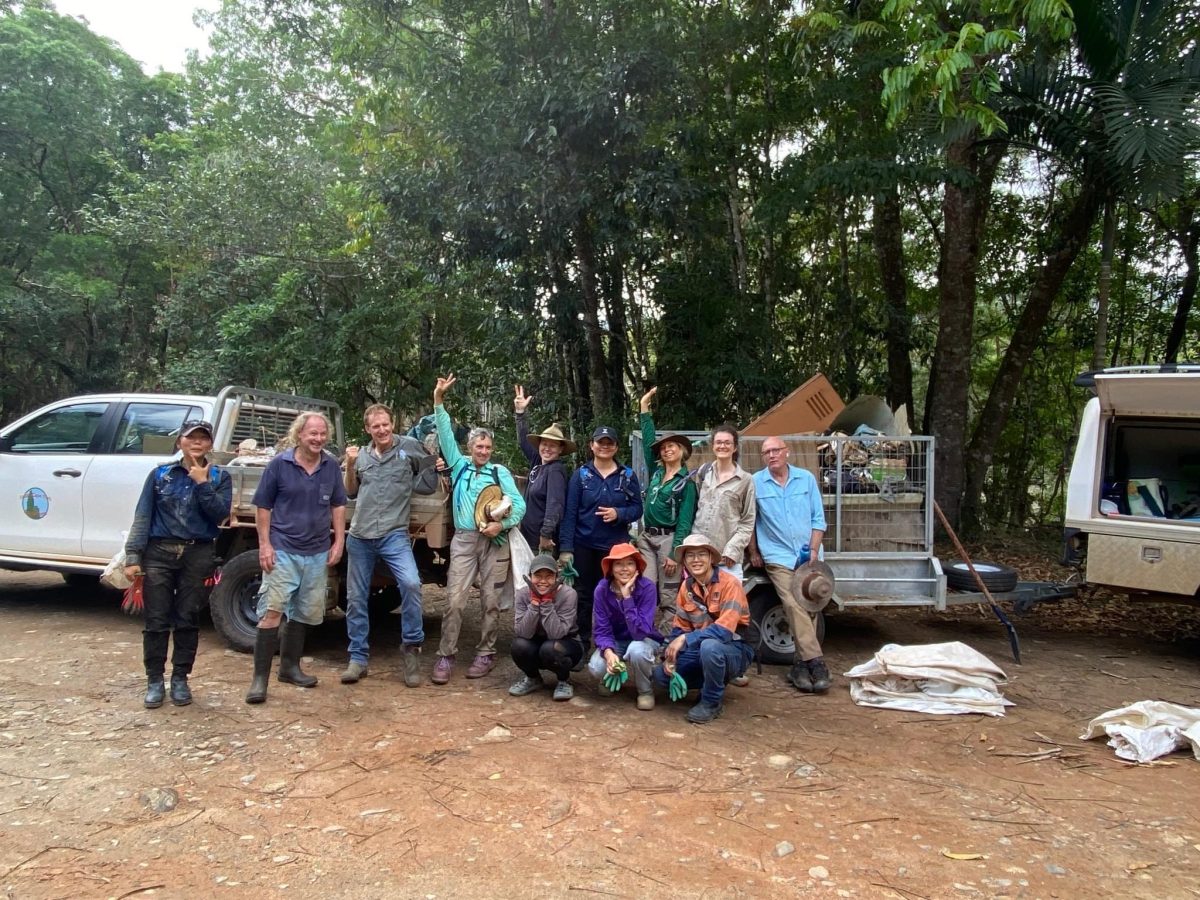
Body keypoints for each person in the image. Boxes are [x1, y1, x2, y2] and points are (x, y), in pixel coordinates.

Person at [124, 420, 232, 708]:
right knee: (156, 620)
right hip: (159, 553)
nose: (197, 443)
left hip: (198, 554)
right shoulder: (161, 475)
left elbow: (219, 515)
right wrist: (133, 556)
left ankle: (181, 679)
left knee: (187, 618)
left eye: (203, 439)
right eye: (191, 438)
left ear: (210, 444)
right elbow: (143, 515)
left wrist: (202, 483)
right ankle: (155, 680)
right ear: (180, 442)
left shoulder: (220, 476)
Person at [245, 412, 347, 704]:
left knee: (303, 611)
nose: (318, 439)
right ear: (299, 435)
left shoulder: (330, 466)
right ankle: (259, 680)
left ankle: (290, 667)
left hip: (316, 551)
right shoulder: (279, 465)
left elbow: (339, 505)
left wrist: (338, 540)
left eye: (322, 434)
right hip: (284, 549)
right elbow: (263, 506)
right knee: (273, 611)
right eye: (312, 433)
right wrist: (265, 545)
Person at [431, 374, 526, 683]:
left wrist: (502, 523)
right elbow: (445, 434)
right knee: (455, 601)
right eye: (479, 446)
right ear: (469, 447)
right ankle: (446, 655)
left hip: (495, 541)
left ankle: (486, 653)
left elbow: (519, 505)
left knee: (490, 601)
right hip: (464, 540)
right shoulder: (459, 466)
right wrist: (439, 401)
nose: (484, 450)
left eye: (487, 446)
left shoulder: (500, 472)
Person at [340, 403, 437, 688]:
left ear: (392, 424)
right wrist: (349, 464)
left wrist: (436, 468)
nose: (381, 430)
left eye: (385, 424)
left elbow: (429, 477)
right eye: (375, 426)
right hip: (359, 536)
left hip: (394, 534)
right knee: (356, 599)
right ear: (367, 429)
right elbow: (350, 491)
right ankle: (357, 659)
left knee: (410, 584)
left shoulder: (410, 447)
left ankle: (411, 651)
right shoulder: (361, 456)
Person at [749, 436, 831, 693]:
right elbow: (750, 520)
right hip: (778, 556)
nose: (771, 455)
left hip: (810, 556)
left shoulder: (805, 479)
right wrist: (753, 551)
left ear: (787, 452)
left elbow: (818, 519)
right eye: (766, 452)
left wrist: (814, 550)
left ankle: (799, 665)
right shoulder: (756, 483)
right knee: (794, 602)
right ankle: (815, 662)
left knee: (811, 604)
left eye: (776, 450)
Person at [559, 426, 643, 658]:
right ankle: (583, 643)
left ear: (616, 447)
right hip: (584, 544)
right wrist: (566, 548)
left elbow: (637, 508)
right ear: (592, 445)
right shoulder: (581, 475)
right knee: (583, 595)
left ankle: (614, 643)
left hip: (615, 548)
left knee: (615, 594)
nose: (604, 446)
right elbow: (570, 513)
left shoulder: (627, 475)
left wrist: (619, 513)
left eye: (609, 443)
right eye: (600, 442)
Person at [654, 534, 756, 724]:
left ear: (711, 558)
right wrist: (668, 657)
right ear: (684, 561)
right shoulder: (686, 587)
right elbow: (680, 628)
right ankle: (714, 681)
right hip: (701, 648)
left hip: (735, 649)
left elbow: (724, 632)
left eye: (701, 554)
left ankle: (711, 701)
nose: (696, 560)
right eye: (690, 555)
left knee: (710, 647)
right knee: (661, 676)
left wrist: (686, 640)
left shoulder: (730, 584)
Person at [635, 387, 697, 626]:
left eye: (672, 446)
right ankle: (645, 630)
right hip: (647, 538)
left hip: (668, 540)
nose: (667, 449)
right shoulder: (657, 472)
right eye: (663, 447)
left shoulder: (686, 483)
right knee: (647, 587)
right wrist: (644, 410)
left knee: (669, 592)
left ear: (682, 451)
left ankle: (670, 636)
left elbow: (685, 521)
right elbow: (648, 441)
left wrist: (675, 553)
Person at [586, 543, 663, 710]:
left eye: (629, 563)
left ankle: (645, 690)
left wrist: (627, 598)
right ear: (611, 568)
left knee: (637, 650)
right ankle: (614, 673)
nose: (624, 569)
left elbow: (640, 632)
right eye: (618, 564)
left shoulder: (647, 588)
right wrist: (608, 652)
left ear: (637, 567)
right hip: (616, 640)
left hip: (644, 639)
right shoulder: (602, 589)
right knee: (596, 667)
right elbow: (601, 628)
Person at [509, 554, 582, 701]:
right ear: (530, 577)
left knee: (550, 648)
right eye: (538, 576)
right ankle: (533, 678)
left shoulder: (569, 594)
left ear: (557, 577)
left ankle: (563, 681)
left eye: (549, 576)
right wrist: (535, 604)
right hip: (535, 640)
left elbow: (557, 633)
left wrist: (547, 603)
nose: (543, 581)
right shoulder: (523, 594)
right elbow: (523, 632)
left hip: (565, 643)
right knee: (519, 645)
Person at [690, 423, 756, 580]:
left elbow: (748, 521)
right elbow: (695, 508)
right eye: (719, 442)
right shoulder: (703, 472)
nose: (723, 446)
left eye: (727, 443)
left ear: (734, 448)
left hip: (727, 559)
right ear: (713, 446)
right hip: (699, 556)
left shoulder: (745, 480)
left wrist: (733, 549)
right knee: (698, 603)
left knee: (729, 604)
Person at [513, 384, 574, 552]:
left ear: (561, 449)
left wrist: (546, 534)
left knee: (540, 578)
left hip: (541, 541)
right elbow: (523, 442)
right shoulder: (538, 462)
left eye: (553, 446)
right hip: (528, 537)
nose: (547, 449)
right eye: (544, 444)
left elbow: (555, 504)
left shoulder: (555, 470)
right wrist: (520, 413)